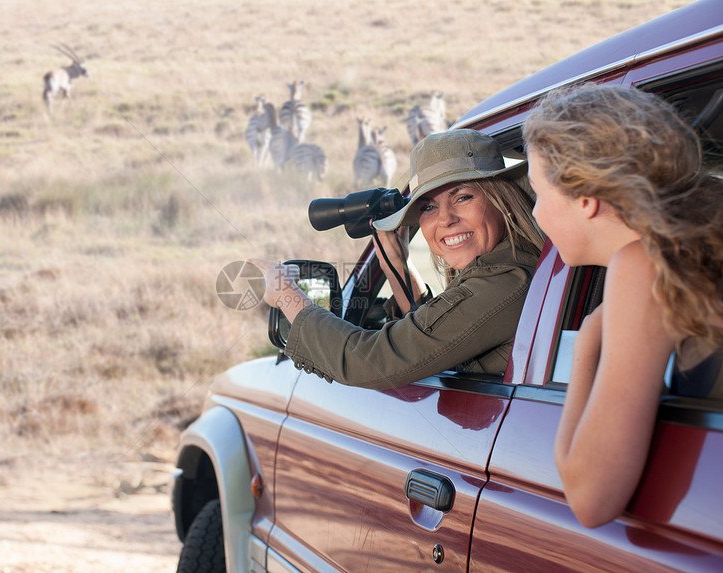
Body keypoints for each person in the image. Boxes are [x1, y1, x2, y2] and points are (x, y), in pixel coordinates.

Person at [522, 83, 723, 528]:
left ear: (586, 200)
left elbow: (590, 498)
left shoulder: (644, 264)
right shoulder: (694, 248)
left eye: (537, 192)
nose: (535, 214)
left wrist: (589, 345)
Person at [250, 129, 545, 389]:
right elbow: (436, 340)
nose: (446, 219)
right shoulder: (509, 272)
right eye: (428, 207)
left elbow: (371, 361)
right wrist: (398, 266)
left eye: (463, 197)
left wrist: (286, 295)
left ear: (502, 201)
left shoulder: (505, 281)